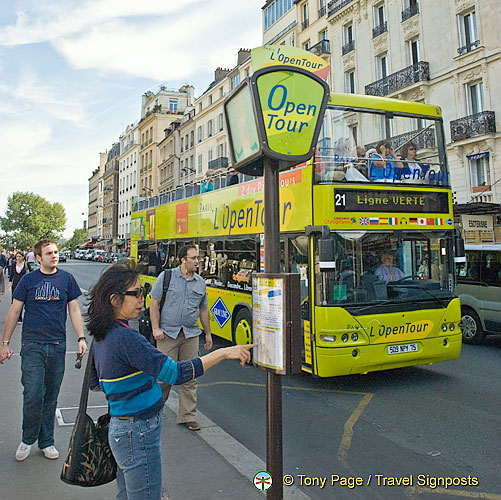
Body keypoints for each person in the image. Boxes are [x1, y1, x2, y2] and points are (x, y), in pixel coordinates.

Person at [86, 263, 255, 500]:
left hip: (121, 426)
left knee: (127, 494)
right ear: (114, 300)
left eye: (143, 292)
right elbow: (176, 374)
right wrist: (223, 353)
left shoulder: (104, 333)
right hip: (138, 430)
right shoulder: (126, 338)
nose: (141, 299)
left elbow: (96, 382)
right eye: (135, 294)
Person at [0, 239, 88, 461]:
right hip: (32, 346)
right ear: (38, 258)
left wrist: (81, 338)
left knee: (50, 396)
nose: (54, 256)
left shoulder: (66, 279)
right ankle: (27, 439)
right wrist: (5, 343)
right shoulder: (29, 280)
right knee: (33, 393)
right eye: (49, 253)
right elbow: (14, 311)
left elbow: (74, 310)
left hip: (57, 345)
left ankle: (46, 441)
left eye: (56, 252)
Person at [150, 244, 212, 431]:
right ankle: (153, 411)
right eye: (193, 258)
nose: (197, 261)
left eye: (198, 258)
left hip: (191, 334)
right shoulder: (166, 277)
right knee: (164, 376)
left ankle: (187, 416)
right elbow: (154, 302)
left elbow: (203, 309)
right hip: (168, 333)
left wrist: (207, 333)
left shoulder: (200, 282)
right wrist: (155, 328)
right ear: (183, 260)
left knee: (190, 375)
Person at [8, 251, 29, 323]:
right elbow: (11, 275)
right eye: (17, 256)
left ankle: (20, 318)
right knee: (14, 301)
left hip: (24, 284)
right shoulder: (14, 264)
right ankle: (15, 317)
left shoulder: (26, 264)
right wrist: (10, 282)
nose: (18, 258)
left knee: (22, 301)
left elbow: (31, 272)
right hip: (15, 284)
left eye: (20, 256)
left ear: (23, 257)